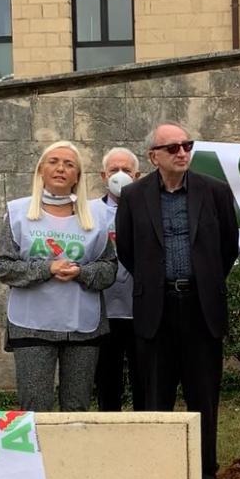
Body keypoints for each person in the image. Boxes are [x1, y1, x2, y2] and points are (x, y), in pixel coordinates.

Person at [115, 122, 240, 479]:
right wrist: (157, 284)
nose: (182, 153)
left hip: (201, 308)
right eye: (172, 148)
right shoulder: (133, 196)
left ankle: (205, 476)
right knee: (156, 396)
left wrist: (202, 281)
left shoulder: (214, 191)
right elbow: (128, 252)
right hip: (156, 308)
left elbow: (228, 247)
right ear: (153, 156)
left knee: (204, 397)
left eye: (187, 145)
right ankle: (160, 474)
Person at [0, 141, 118, 410]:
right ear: (41, 170)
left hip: (82, 326)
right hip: (31, 325)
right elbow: (3, 267)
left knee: (77, 409)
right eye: (53, 162)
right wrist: (47, 268)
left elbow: (109, 269)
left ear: (77, 176)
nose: (61, 168)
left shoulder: (95, 217)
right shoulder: (18, 213)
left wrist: (81, 272)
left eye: (69, 164)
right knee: (35, 407)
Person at [94, 147, 143, 411]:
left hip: (141, 310)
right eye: (114, 170)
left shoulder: (150, 210)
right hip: (102, 310)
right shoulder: (89, 212)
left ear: (137, 176)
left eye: (126, 170)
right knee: (106, 381)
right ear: (103, 175)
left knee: (144, 381)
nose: (120, 175)